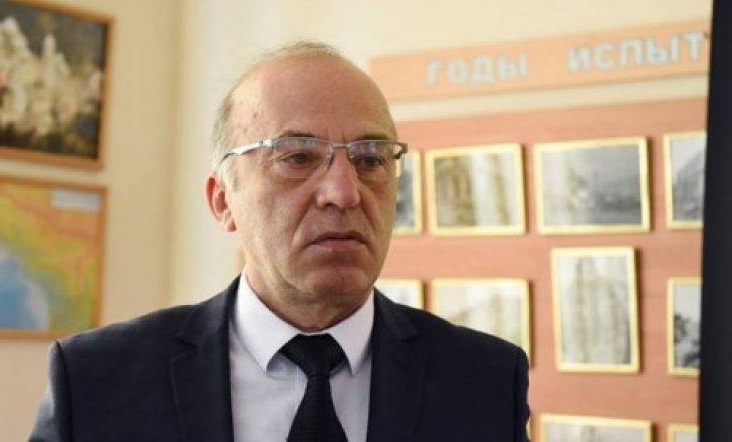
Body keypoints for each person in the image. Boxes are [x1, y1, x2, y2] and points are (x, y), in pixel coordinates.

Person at [29, 41, 530, 442]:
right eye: (298, 158)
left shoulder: (484, 381)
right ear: (223, 201)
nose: (344, 192)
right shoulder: (97, 381)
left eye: (370, 159)